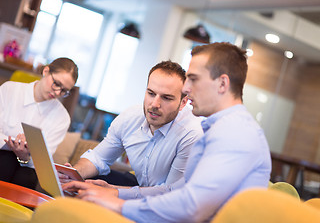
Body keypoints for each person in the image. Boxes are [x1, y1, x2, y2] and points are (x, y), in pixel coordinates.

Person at [63, 42, 272, 223]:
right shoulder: (222, 129)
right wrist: (113, 194)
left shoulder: (235, 134)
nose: (187, 89)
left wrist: (118, 203)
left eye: (193, 79)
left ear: (222, 84)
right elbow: (181, 194)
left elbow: (191, 206)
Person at [60, 60, 203, 187]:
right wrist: (73, 174)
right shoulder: (130, 117)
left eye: (166, 98)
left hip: (173, 205)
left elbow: (170, 194)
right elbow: (99, 158)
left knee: (97, 189)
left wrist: (113, 192)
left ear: (183, 102)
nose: (154, 104)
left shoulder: (191, 134)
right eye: (151, 93)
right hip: (140, 185)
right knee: (84, 181)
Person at [0, 57, 78, 189]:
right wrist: (13, 145)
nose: (58, 92)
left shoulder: (62, 117)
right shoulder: (10, 90)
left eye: (64, 90)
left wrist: (24, 157)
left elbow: (42, 162)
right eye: (57, 84)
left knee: (26, 175)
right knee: (6, 161)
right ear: (46, 71)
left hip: (27, 170)